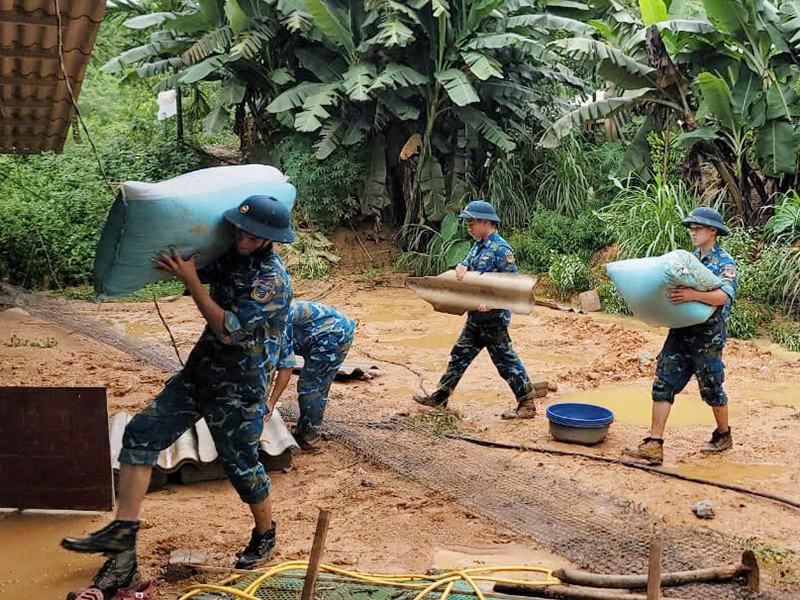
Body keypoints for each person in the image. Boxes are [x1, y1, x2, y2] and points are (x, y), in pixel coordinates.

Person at [62, 195, 295, 580]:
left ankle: (265, 535)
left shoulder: (270, 281)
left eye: (254, 237)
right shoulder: (230, 253)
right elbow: (199, 260)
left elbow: (226, 331)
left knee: (242, 466)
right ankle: (122, 533)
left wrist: (191, 283)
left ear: (270, 240)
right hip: (199, 375)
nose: (244, 239)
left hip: (239, 388)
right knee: (139, 435)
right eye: (241, 230)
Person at [624, 207, 738, 465]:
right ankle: (655, 444)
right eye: (692, 228)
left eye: (698, 228)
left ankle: (723, 434)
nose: (693, 232)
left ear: (713, 231)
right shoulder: (689, 259)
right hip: (680, 333)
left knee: (711, 388)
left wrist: (693, 295)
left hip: (707, 338)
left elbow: (724, 296)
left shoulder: (724, 263)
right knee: (663, 382)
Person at [413, 200, 538, 419]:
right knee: (458, 356)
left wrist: (492, 303)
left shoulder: (502, 250)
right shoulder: (478, 245)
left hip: (494, 320)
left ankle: (527, 404)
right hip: (475, 317)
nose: (469, 227)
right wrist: (462, 266)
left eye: (472, 223)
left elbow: (512, 286)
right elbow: (467, 265)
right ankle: (440, 397)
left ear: (486, 222)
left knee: (506, 363)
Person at [266, 301, 356, 451]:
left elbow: (286, 367)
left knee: (311, 386)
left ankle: (309, 437)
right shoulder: (261, 323)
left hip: (332, 334)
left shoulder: (278, 322)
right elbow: (268, 365)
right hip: (315, 335)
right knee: (312, 384)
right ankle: (304, 429)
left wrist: (271, 402)